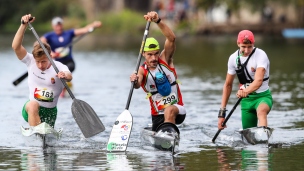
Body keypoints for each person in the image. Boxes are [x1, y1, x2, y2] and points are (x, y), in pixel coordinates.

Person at [12, 14, 72, 128]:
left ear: (50, 56)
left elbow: (69, 76)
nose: (40, 65)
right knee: (33, 105)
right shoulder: (30, 61)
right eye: (38, 61)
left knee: (47, 129)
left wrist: (65, 75)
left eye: (44, 61)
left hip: (50, 112)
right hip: (30, 108)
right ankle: (36, 132)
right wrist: (23, 25)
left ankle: (41, 131)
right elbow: (16, 47)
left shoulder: (59, 66)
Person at [130, 11, 186, 132]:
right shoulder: (142, 71)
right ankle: (166, 134)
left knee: (169, 110)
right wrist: (134, 81)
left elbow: (172, 38)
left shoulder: (165, 60)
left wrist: (158, 21)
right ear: (143, 54)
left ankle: (170, 136)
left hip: (177, 109)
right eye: (150, 55)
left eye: (156, 54)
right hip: (157, 116)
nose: (154, 58)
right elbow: (138, 84)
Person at [217, 30, 273, 130]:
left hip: (262, 96)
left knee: (261, 111)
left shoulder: (261, 55)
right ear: (238, 44)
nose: (246, 50)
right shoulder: (233, 58)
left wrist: (245, 91)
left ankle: (263, 137)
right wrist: (222, 113)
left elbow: (258, 81)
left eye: (250, 46)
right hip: (246, 100)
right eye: (243, 47)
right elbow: (228, 85)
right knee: (248, 134)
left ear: (253, 43)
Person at [40, 16, 102, 97]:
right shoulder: (49, 36)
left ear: (62, 25)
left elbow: (84, 30)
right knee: (54, 75)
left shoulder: (69, 33)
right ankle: (58, 87)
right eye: (56, 25)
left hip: (68, 62)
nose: (58, 27)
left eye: (60, 25)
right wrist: (50, 53)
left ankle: (65, 84)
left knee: (67, 70)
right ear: (53, 26)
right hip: (56, 64)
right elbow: (40, 42)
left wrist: (94, 25)